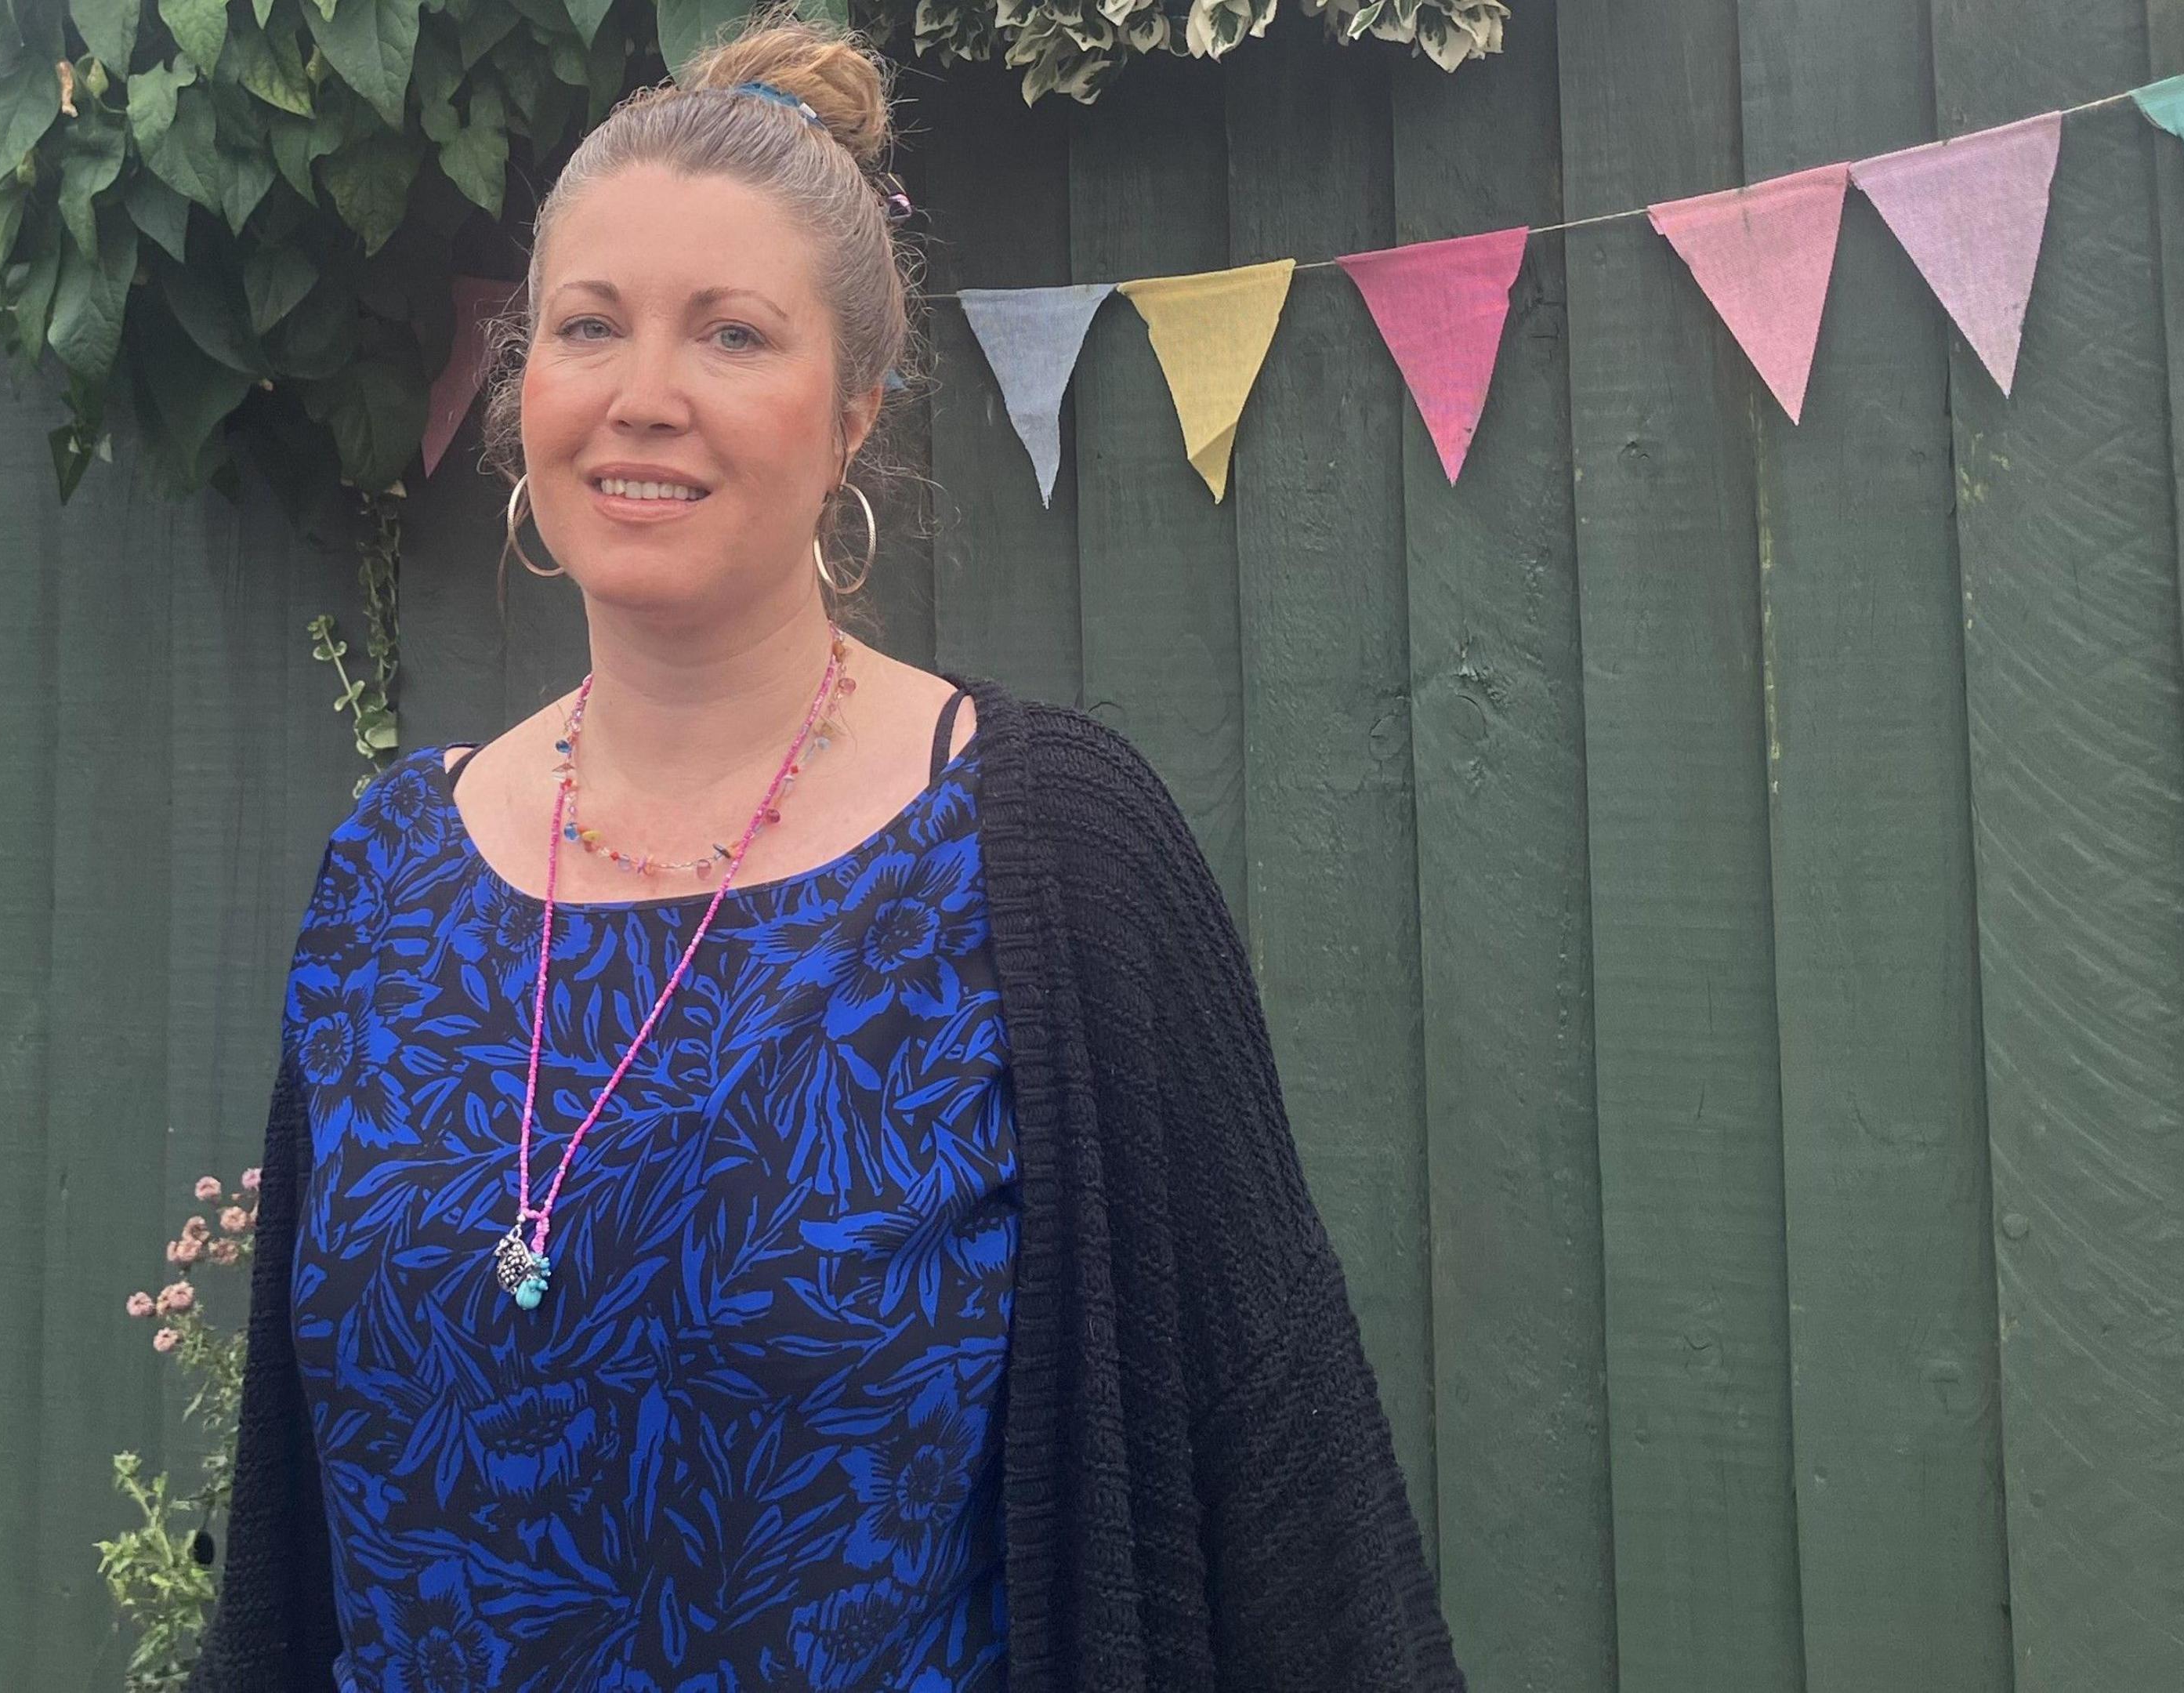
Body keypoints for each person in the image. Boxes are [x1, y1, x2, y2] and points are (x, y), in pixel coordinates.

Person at [194, 13, 1461, 1689]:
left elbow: (1290, 1516)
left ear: (858, 405)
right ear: (524, 388)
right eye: (589, 327)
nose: (644, 399)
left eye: (732, 335)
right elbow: (298, 1534)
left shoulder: (1051, 852)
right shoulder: (388, 872)